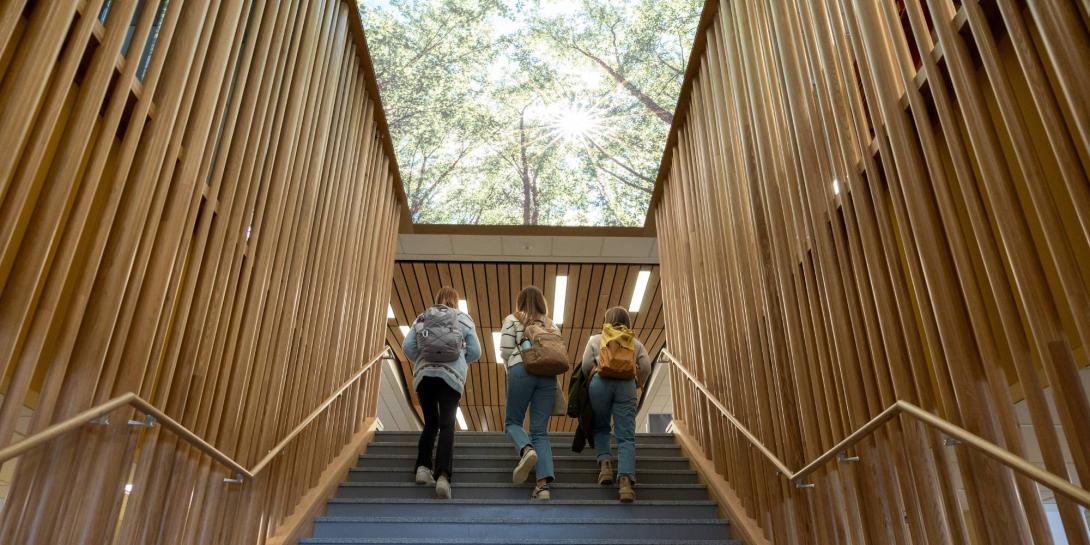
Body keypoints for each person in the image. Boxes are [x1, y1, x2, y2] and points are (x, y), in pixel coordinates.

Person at [402, 287, 481, 499]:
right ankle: (443, 476)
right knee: (447, 425)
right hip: (452, 377)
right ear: (456, 301)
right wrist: (459, 357)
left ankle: (422, 467)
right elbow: (476, 351)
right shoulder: (464, 319)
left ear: (436, 300)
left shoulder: (423, 316)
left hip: (425, 376)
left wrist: (425, 357)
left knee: (430, 423)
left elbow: (408, 347)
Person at [581, 306, 652, 502]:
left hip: (599, 383)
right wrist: (637, 382)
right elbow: (645, 366)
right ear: (627, 322)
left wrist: (595, 373)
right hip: (626, 385)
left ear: (607, 321)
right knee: (626, 436)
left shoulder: (596, 339)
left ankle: (605, 466)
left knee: (602, 426)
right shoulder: (634, 342)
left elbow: (586, 364)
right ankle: (625, 484)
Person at [500, 286, 557, 500]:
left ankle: (525, 450)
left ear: (520, 301)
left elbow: (505, 349)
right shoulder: (551, 325)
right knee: (540, 431)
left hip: (521, 368)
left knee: (513, 422)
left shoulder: (512, 319)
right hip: (548, 374)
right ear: (542, 302)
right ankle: (542, 487)